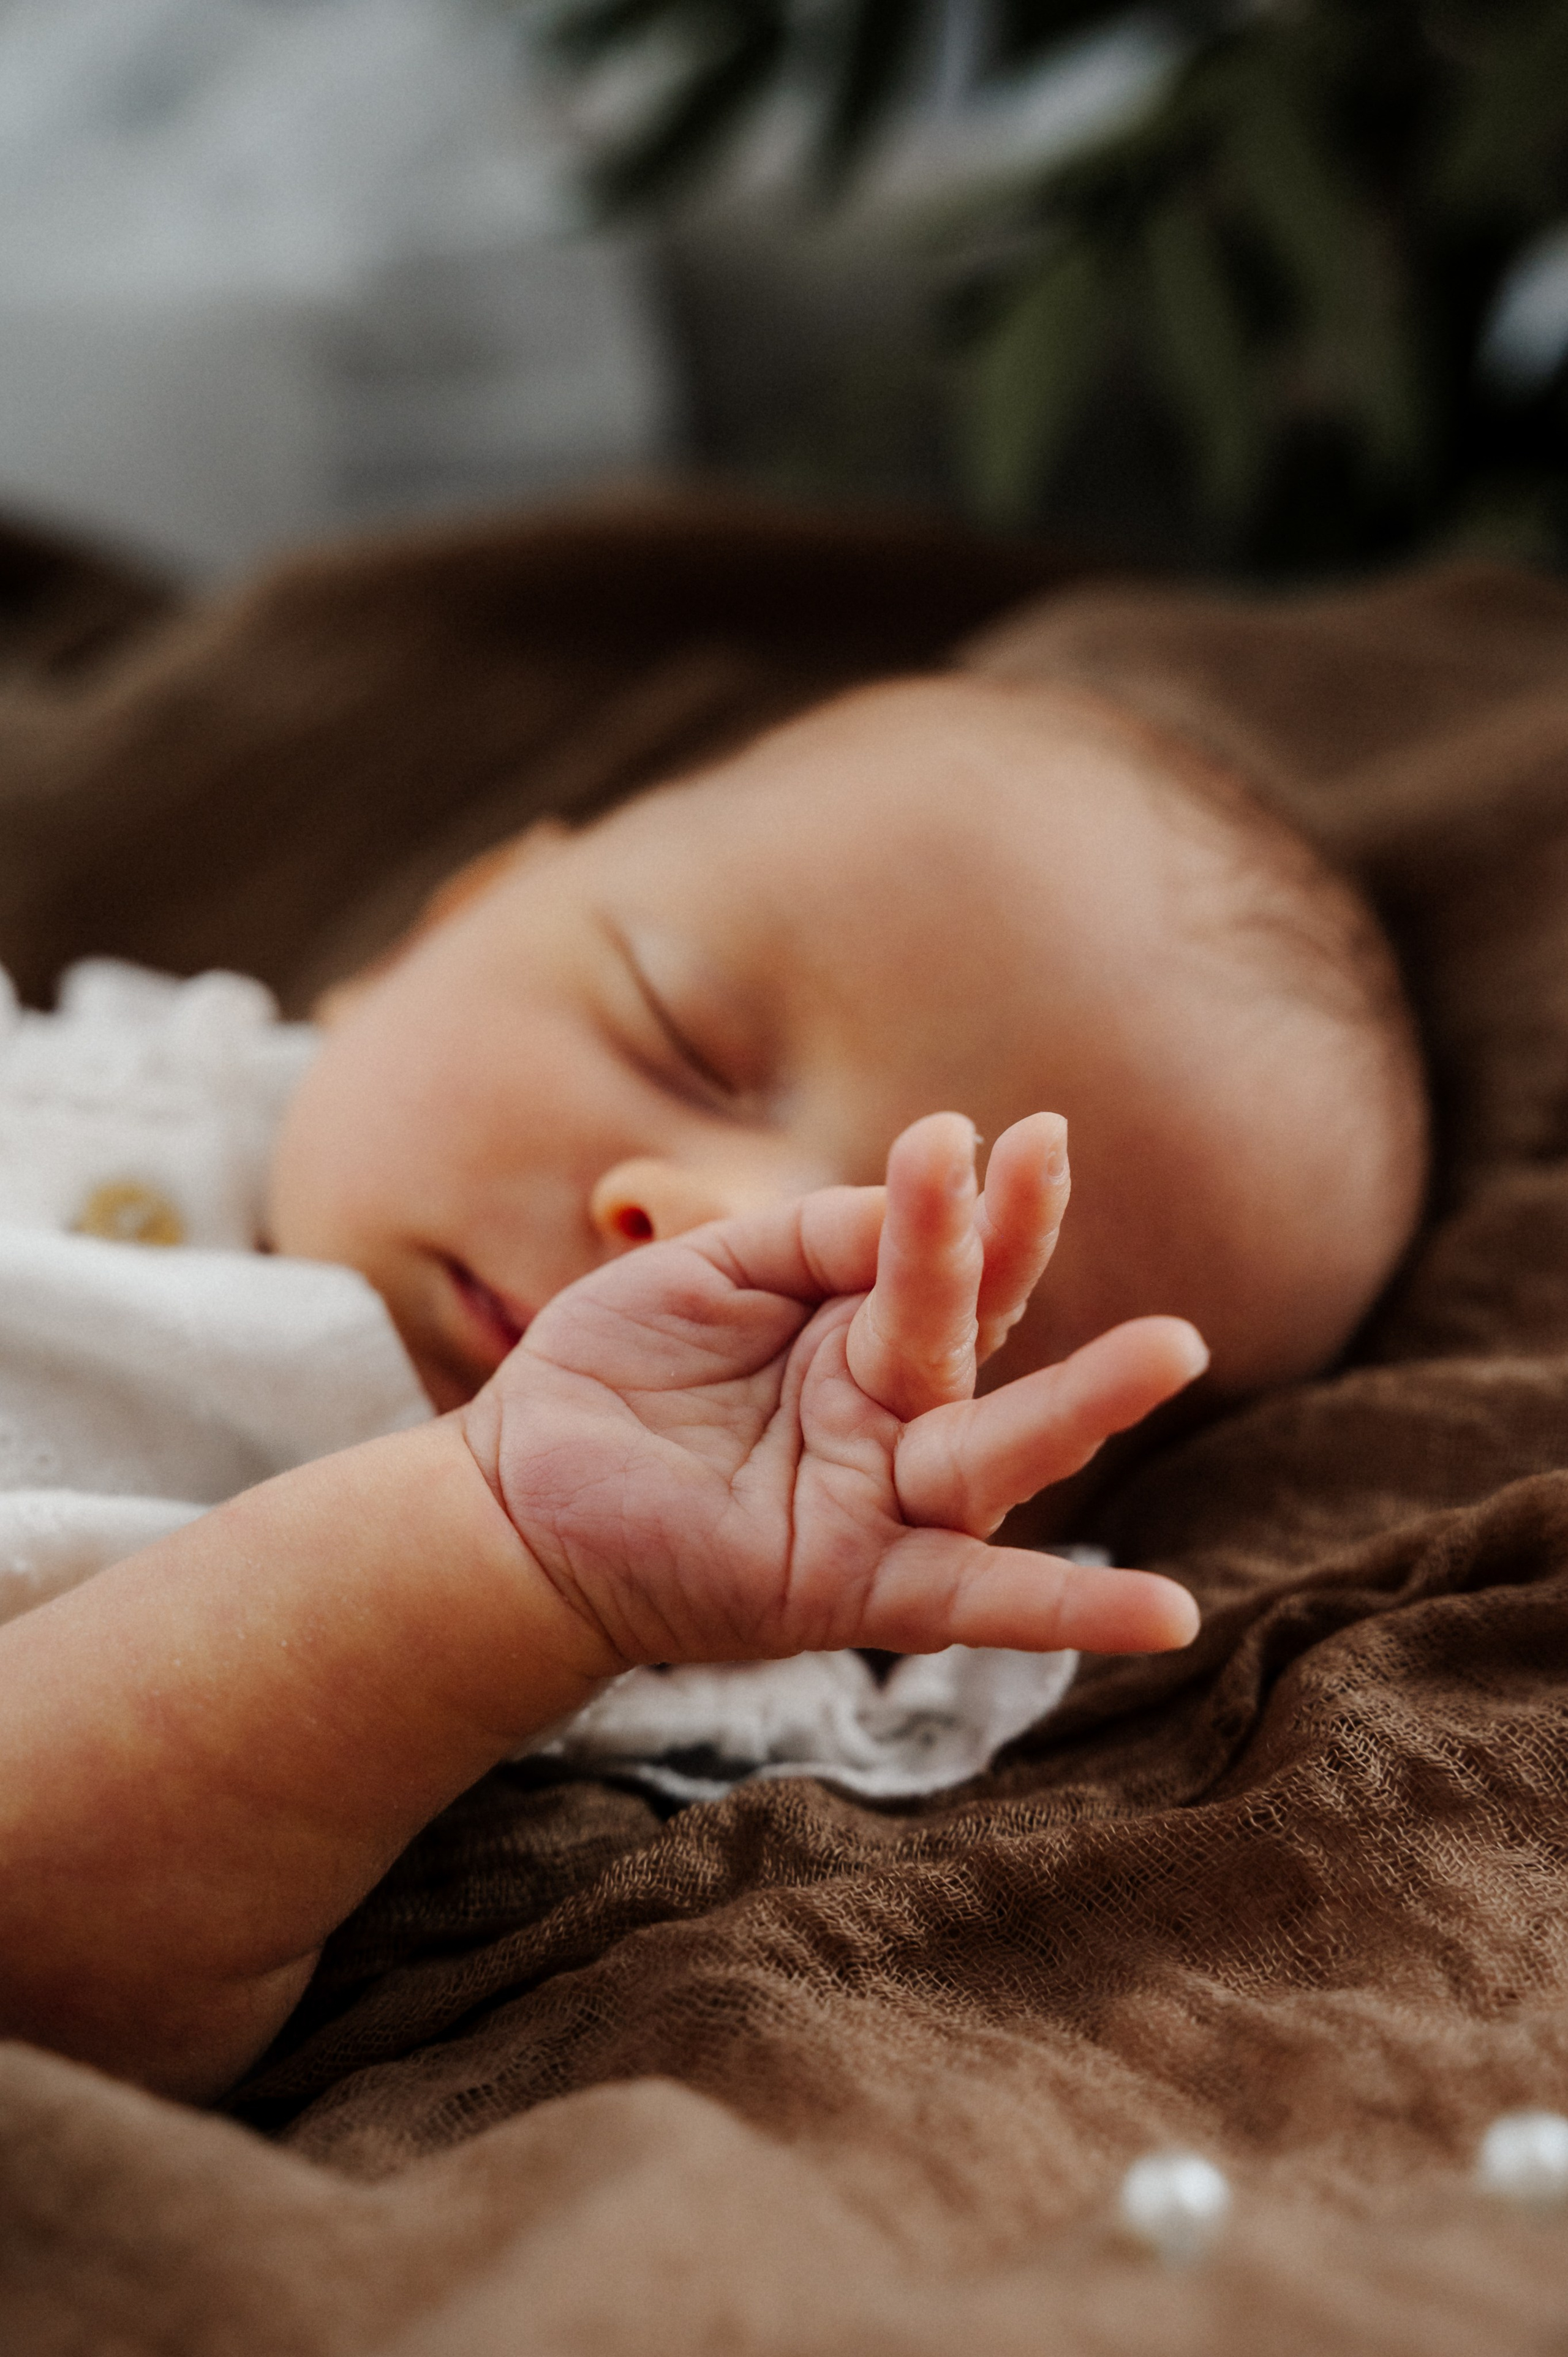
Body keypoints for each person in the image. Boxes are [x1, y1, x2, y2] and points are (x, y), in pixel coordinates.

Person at [0, 673, 1427, 2105]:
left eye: (909, 1307)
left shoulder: (486, 1655)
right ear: (454, 917)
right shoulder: (119, 1066)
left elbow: (51, 1970)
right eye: (678, 1039)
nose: (709, 1224)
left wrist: (509, 1554)